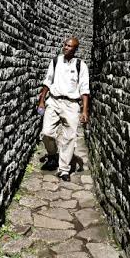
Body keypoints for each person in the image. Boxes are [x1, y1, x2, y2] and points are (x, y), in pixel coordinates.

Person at [37, 37, 90, 181]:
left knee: (69, 137)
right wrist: (41, 101)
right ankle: (53, 155)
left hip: (71, 104)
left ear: (75, 49)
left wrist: (84, 111)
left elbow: (85, 89)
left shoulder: (81, 65)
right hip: (53, 101)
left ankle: (64, 169)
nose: (66, 48)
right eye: (65, 45)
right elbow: (47, 82)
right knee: (46, 132)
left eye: (69, 46)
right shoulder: (55, 61)